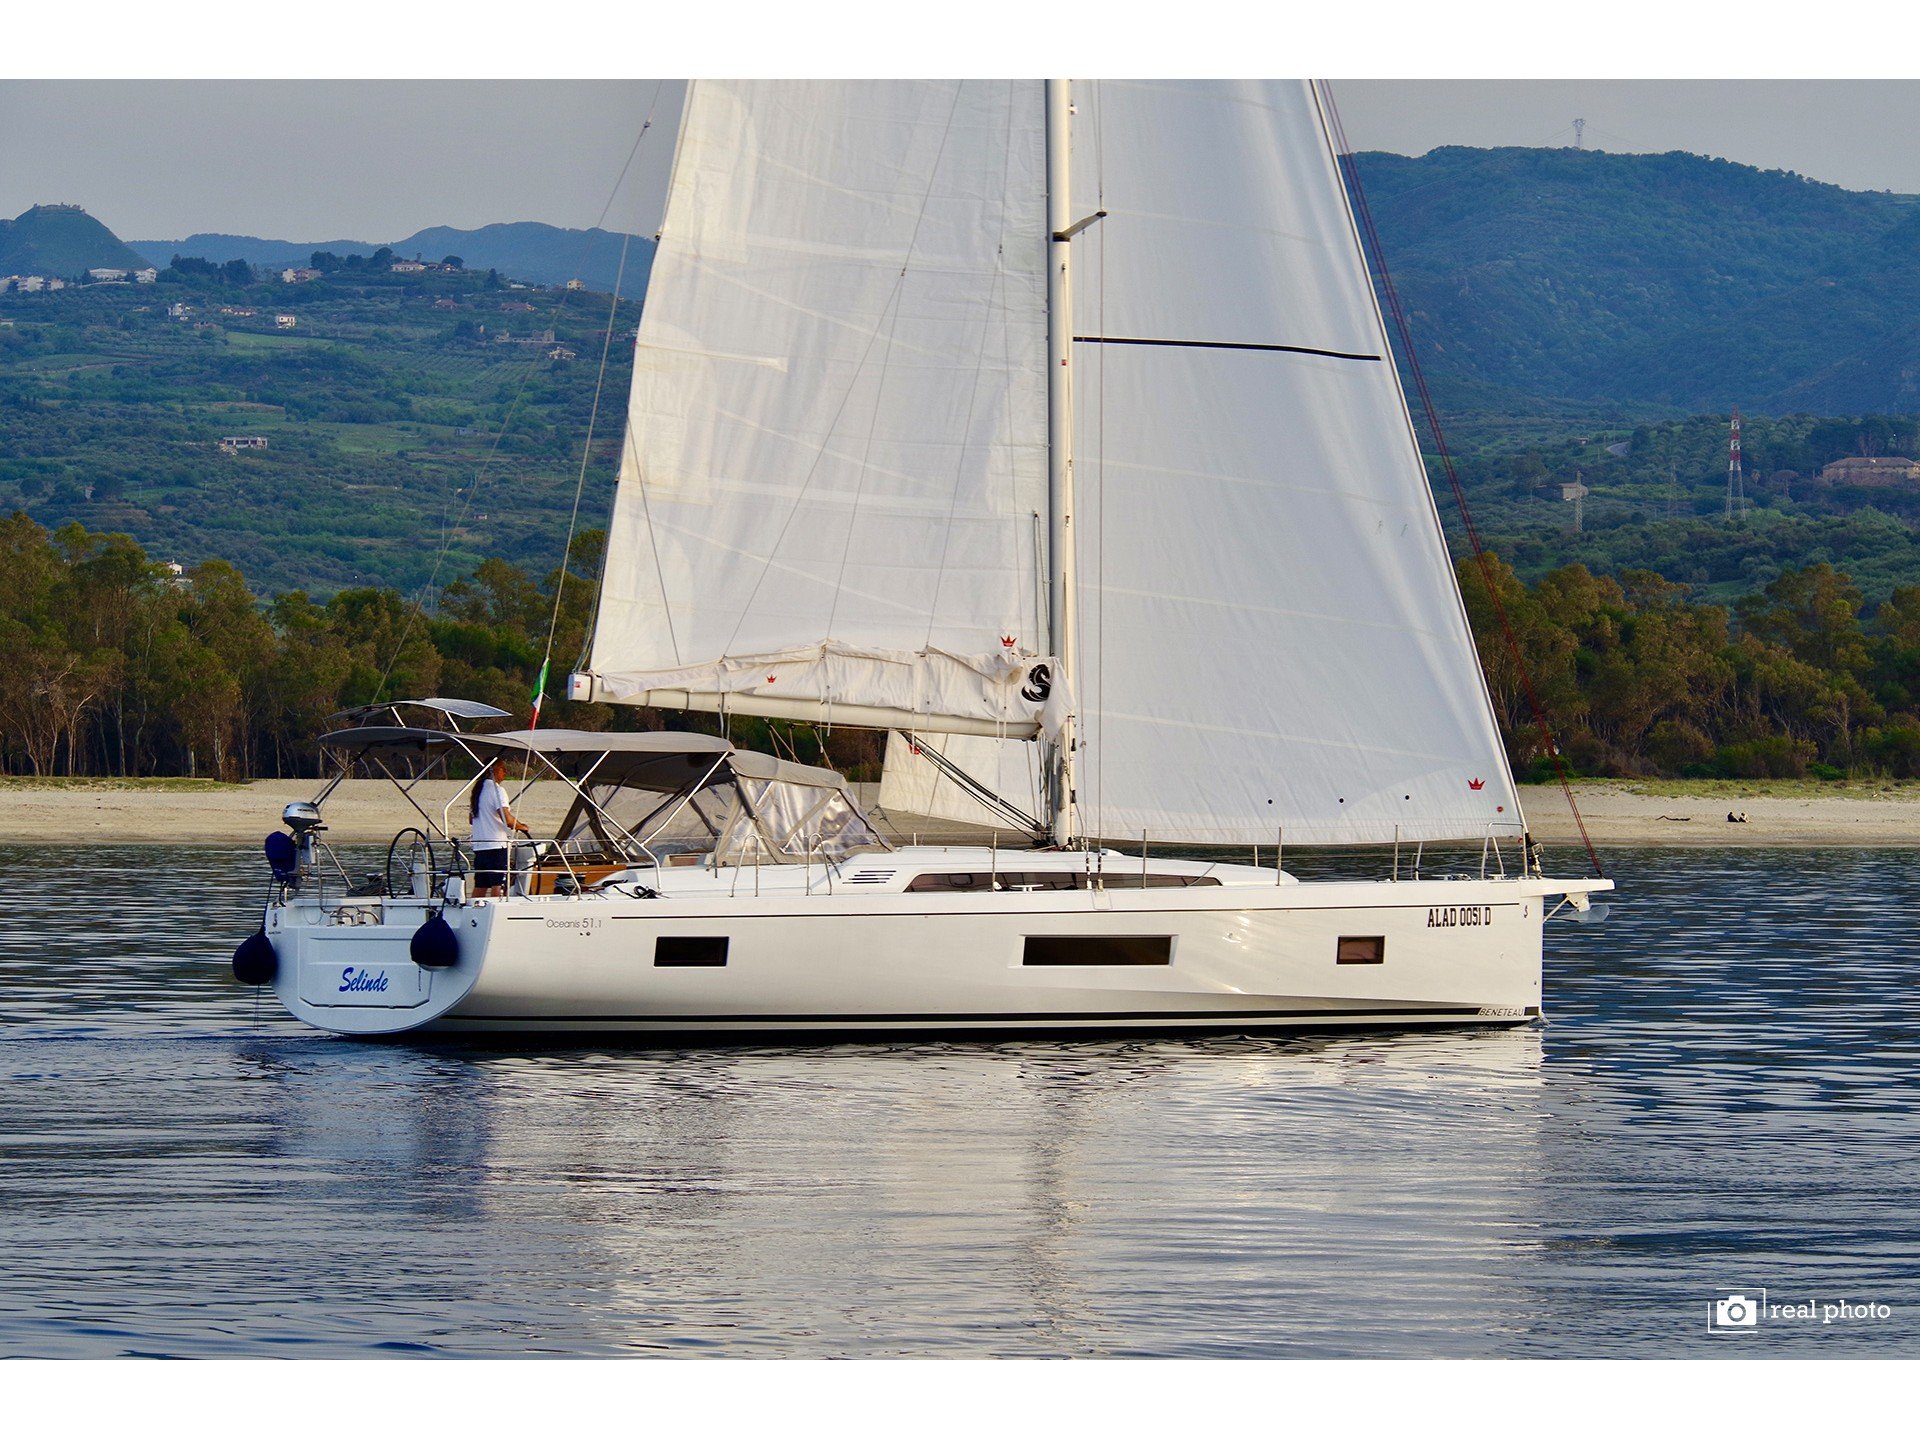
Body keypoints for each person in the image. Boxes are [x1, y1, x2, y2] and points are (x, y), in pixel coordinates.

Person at [470, 757, 532, 897]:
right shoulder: (497, 790)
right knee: (498, 883)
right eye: (501, 768)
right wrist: (522, 826)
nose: (505, 771)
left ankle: (473, 911)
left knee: (481, 884)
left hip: (480, 847)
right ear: (492, 770)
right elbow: (506, 818)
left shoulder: (478, 791)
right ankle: (498, 911)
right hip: (496, 845)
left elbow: (471, 818)